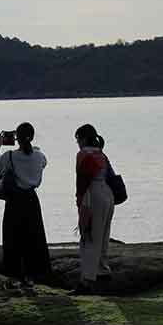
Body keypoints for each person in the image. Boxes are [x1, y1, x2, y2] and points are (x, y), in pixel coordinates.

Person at [0, 122, 51, 287]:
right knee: (33, 238)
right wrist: (36, 149)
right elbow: (43, 162)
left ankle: (14, 277)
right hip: (31, 200)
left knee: (13, 239)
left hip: (14, 201)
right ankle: (32, 276)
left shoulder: (9, 156)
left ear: (16, 138)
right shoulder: (39, 156)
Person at [73, 123, 115, 294]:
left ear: (83, 138)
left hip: (93, 195)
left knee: (88, 237)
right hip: (107, 194)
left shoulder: (82, 154)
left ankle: (86, 281)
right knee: (103, 236)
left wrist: (79, 202)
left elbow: (82, 180)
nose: (77, 143)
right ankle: (102, 272)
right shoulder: (101, 153)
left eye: (77, 139)